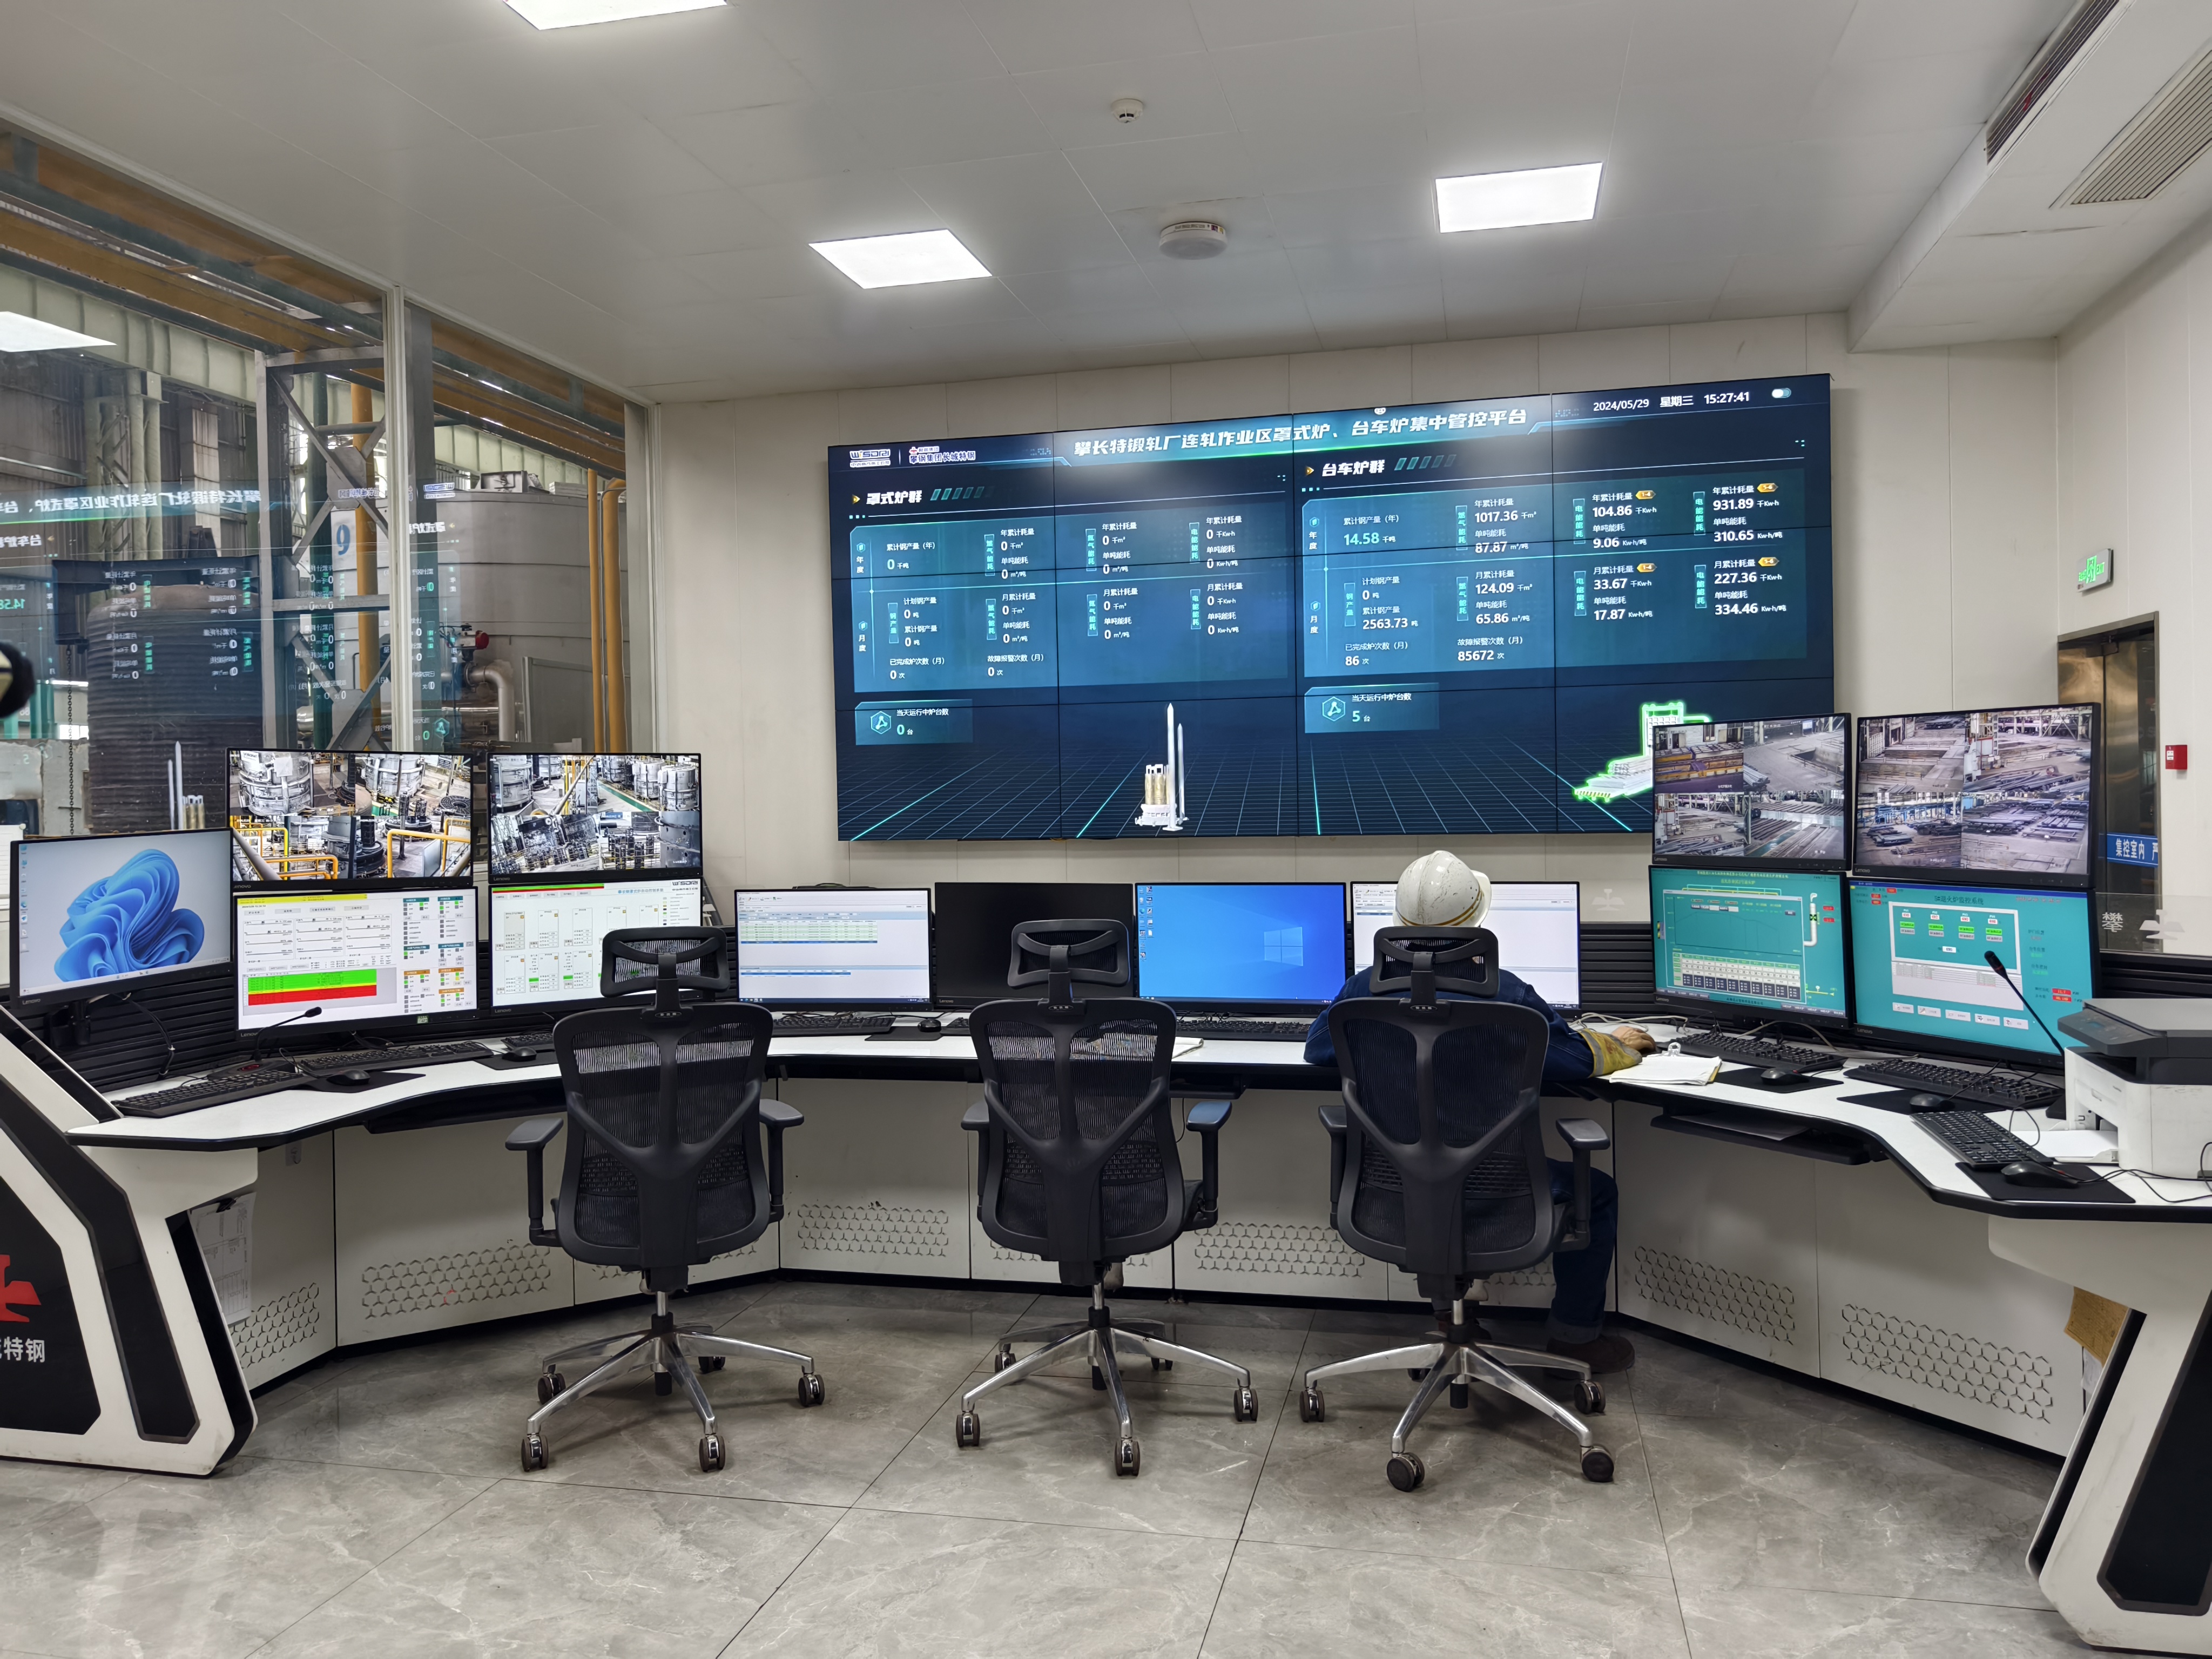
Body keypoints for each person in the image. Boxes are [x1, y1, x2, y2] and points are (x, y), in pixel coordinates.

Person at [1305, 850, 1656, 1373]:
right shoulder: (1507, 994)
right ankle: (1575, 1338)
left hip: (1391, 1193)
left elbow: (1318, 1049)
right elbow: (1576, 1061)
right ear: (1476, 919)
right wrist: (1619, 1044)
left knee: (1427, 1179)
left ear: (1398, 921)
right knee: (1597, 1191)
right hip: (1503, 1196)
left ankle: (1450, 1321)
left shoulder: (1362, 990)